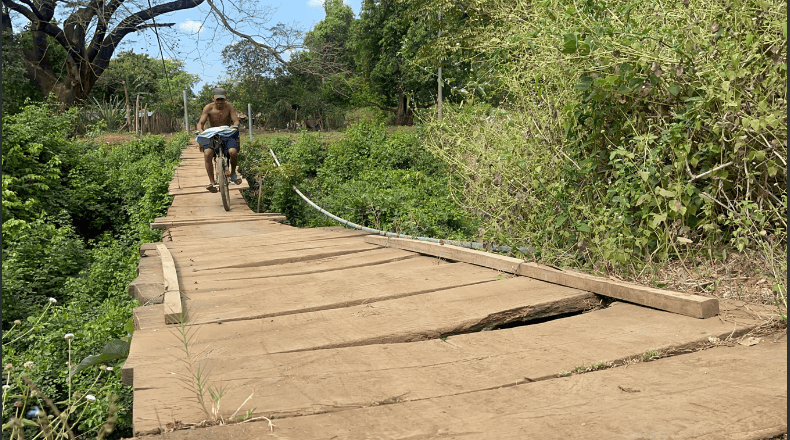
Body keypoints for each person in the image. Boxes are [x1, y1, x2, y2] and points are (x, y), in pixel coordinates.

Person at [196, 88, 242, 192]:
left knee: (233, 152)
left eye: (222, 99)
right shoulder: (208, 108)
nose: (220, 102)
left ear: (225, 99)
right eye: (218, 99)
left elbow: (235, 121)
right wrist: (200, 130)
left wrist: (233, 126)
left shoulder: (229, 106)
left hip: (226, 133)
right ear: (213, 98)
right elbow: (201, 123)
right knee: (207, 153)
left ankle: (233, 173)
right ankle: (212, 182)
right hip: (213, 134)